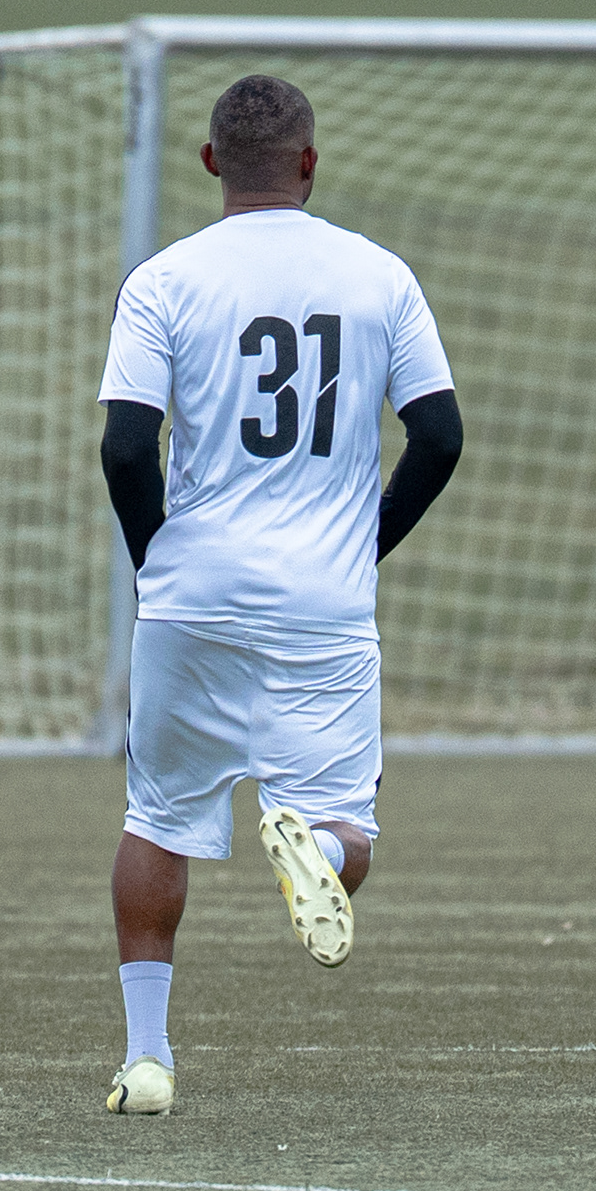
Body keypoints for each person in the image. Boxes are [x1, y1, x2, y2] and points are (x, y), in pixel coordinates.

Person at [96, 73, 464, 1115]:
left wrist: (157, 566)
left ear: (211, 162)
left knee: (158, 820)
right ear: (309, 162)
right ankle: (321, 852)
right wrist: (363, 548)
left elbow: (125, 448)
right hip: (323, 601)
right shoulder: (380, 276)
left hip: (193, 595)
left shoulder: (163, 280)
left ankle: (148, 1059)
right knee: (351, 832)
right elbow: (440, 437)